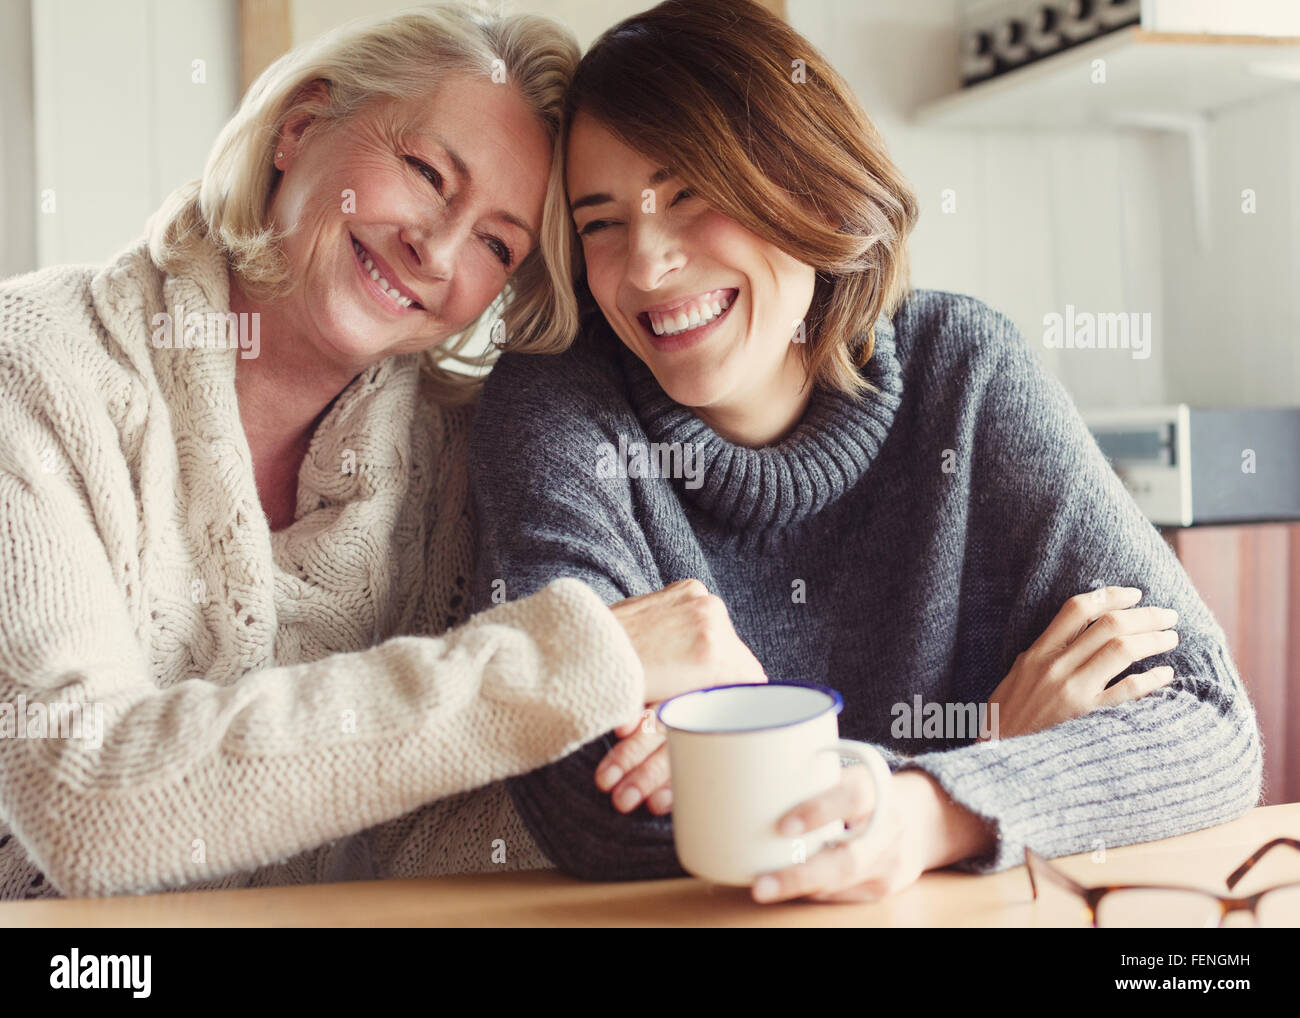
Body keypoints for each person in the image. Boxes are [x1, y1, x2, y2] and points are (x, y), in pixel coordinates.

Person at [469, 0, 1264, 903]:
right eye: (601, 222)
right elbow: (590, 800)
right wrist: (987, 756)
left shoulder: (964, 372)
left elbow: (1203, 724)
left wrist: (929, 809)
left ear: (806, 184)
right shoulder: (556, 406)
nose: (646, 265)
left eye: (688, 192)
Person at [0, 2, 763, 901]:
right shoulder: (35, 365)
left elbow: (433, 830)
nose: (436, 249)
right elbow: (86, 804)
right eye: (426, 171)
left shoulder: (449, 457)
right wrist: (577, 662)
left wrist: (648, 761)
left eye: (495, 243)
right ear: (301, 126)